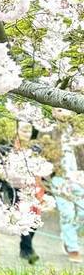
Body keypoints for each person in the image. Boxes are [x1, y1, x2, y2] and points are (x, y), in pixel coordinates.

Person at [49, 109, 84, 263]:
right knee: (67, 214)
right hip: (59, 177)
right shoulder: (49, 130)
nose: (62, 113)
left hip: (78, 176)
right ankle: (72, 247)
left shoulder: (78, 128)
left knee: (82, 213)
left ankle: (68, 234)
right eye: (58, 110)